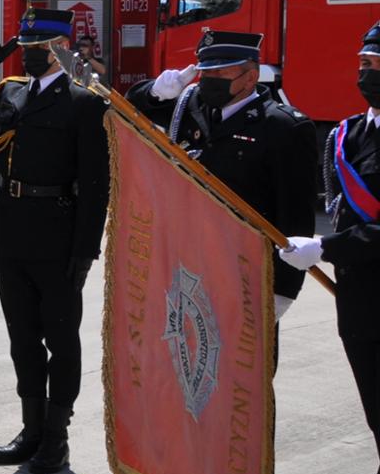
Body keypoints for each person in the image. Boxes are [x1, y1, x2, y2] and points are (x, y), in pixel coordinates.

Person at [0, 8, 109, 474]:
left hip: (58, 233)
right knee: (22, 338)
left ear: (60, 49)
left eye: (37, 48)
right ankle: (30, 428)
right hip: (10, 230)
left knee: (61, 339)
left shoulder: (84, 103)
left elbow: (96, 185)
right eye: (25, 47)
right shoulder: (7, 92)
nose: (29, 56)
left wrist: (86, 251)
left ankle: (57, 434)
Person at [281, 22, 380, 474]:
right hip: (360, 302)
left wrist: (325, 245)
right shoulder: (349, 133)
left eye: (379, 66)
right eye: (365, 62)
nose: (368, 74)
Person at [128, 29, 318, 316]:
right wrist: (156, 91)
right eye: (205, 74)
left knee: (246, 359)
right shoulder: (189, 108)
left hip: (244, 266)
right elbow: (131, 108)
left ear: (250, 77)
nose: (209, 83)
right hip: (188, 259)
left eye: (220, 74)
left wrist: (283, 289)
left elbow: (295, 215)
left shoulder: (283, 126)